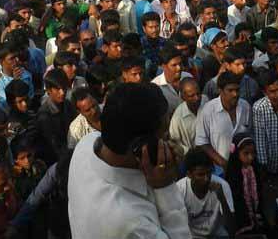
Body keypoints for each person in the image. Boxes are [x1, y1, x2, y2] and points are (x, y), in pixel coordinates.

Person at [68, 82, 190, 238]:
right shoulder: (131, 222)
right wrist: (165, 188)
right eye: (164, 137)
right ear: (140, 148)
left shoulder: (85, 147)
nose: (168, 144)